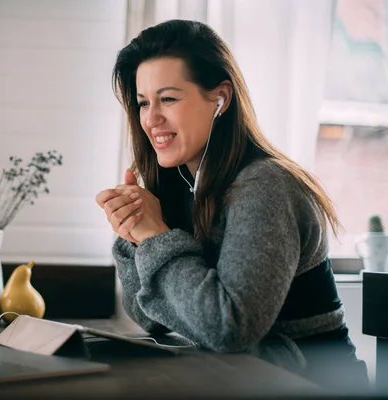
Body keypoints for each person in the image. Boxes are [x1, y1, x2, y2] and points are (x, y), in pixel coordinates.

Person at [95, 19, 369, 391]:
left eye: (169, 98)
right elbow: (149, 315)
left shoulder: (266, 186)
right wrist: (135, 236)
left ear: (220, 99)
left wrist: (156, 236)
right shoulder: (180, 183)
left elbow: (228, 329)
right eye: (143, 102)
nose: (150, 118)